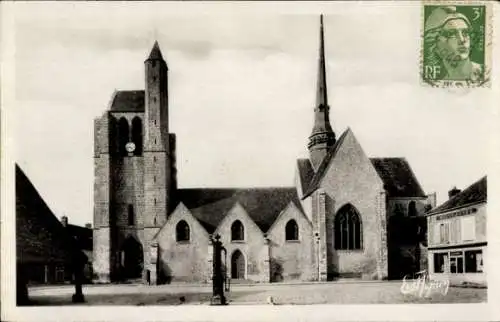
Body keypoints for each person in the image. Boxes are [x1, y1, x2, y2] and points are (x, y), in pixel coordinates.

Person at [424, 6, 483, 81]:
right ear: (434, 44)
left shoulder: (486, 73)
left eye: (465, 32)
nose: (462, 40)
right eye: (451, 34)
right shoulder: (437, 85)